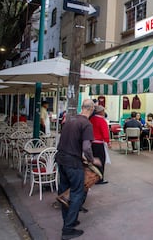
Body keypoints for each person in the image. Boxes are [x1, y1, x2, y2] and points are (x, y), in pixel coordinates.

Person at [55, 99, 101, 239]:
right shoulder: (86, 124)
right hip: (73, 163)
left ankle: (69, 221)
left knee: (64, 193)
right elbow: (86, 147)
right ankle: (68, 229)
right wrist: (92, 160)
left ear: (82, 107)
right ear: (91, 109)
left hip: (61, 159)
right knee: (77, 193)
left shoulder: (70, 119)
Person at [89, 105, 110, 184]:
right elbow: (105, 133)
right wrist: (108, 142)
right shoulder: (101, 120)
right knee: (101, 160)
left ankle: (92, 176)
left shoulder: (91, 119)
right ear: (101, 112)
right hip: (98, 143)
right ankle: (99, 178)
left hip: (90, 143)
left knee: (92, 160)